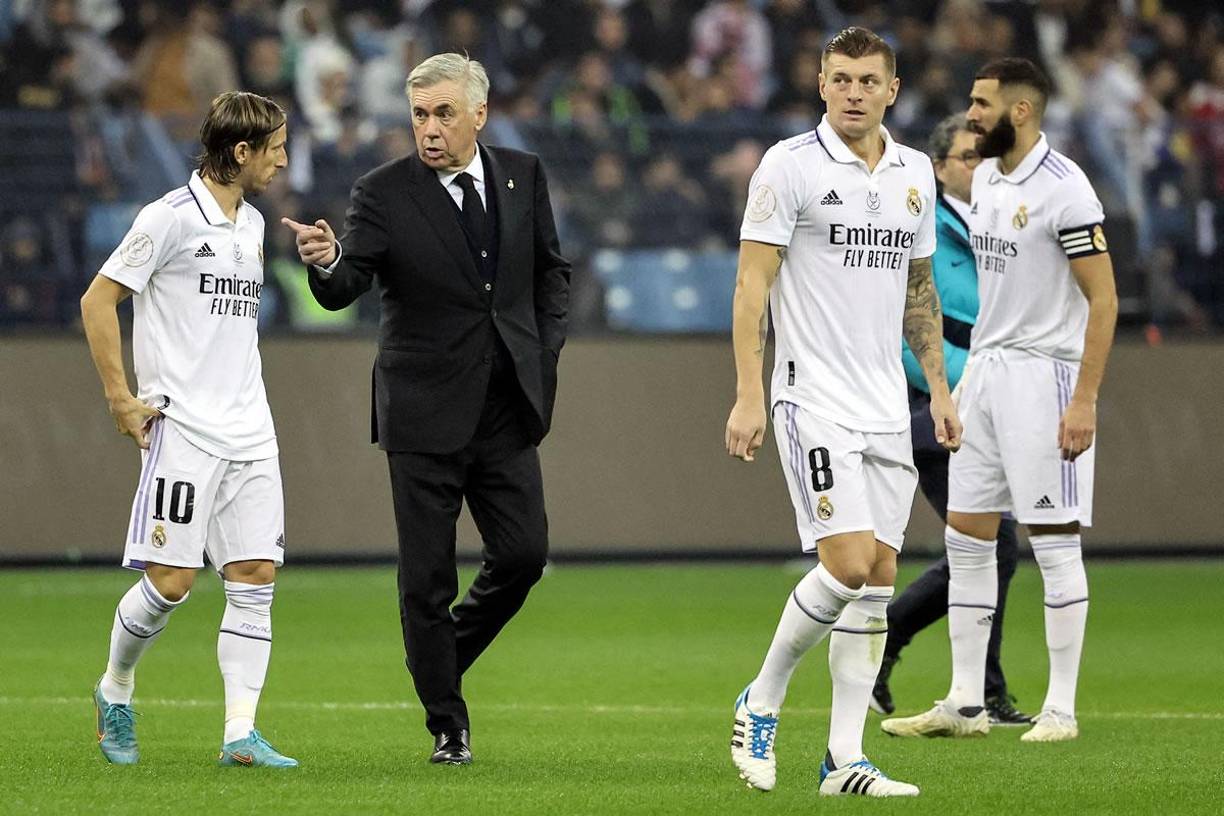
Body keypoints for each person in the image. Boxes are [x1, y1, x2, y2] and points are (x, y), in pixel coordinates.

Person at [282, 53, 570, 766]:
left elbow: (550, 272)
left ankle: (435, 662)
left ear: (479, 111)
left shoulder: (521, 174)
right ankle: (449, 723)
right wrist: (325, 258)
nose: (430, 129)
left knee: (524, 554)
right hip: (421, 410)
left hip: (505, 405)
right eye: (419, 115)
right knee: (427, 579)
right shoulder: (382, 192)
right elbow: (348, 281)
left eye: (444, 113)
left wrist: (543, 353)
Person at [724, 27, 960, 798]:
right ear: (820, 85)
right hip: (810, 396)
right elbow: (752, 287)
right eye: (840, 79)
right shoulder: (788, 167)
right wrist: (748, 393)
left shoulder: (915, 173)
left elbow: (919, 292)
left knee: (881, 578)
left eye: (867, 80)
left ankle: (843, 760)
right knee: (848, 562)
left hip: (887, 405)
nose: (853, 92)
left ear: (892, 89)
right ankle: (760, 700)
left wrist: (940, 387)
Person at [882, 58, 1117, 743]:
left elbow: (1104, 300)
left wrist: (1084, 400)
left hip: (1045, 378)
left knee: (1053, 541)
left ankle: (1062, 710)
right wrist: (954, 386)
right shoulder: (984, 179)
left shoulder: (1066, 190)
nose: (972, 113)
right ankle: (963, 703)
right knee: (968, 535)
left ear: (1020, 111)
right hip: (985, 372)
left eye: (982, 104)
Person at [81, 92, 296, 768]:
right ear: (241, 152)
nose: (283, 160)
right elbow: (99, 299)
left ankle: (240, 733)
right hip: (185, 427)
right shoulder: (168, 218)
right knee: (171, 582)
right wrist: (121, 397)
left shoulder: (255, 226)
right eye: (276, 148)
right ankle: (115, 687)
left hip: (251, 429)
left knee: (255, 575)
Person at [870, 115, 1030, 727]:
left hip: (988, 399)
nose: (978, 166)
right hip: (937, 405)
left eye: (984, 156)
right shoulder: (925, 226)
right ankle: (981, 690)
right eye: (966, 157)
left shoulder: (997, 222)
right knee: (990, 546)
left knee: (989, 547)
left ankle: (907, 648)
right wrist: (965, 384)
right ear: (938, 167)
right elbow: (912, 327)